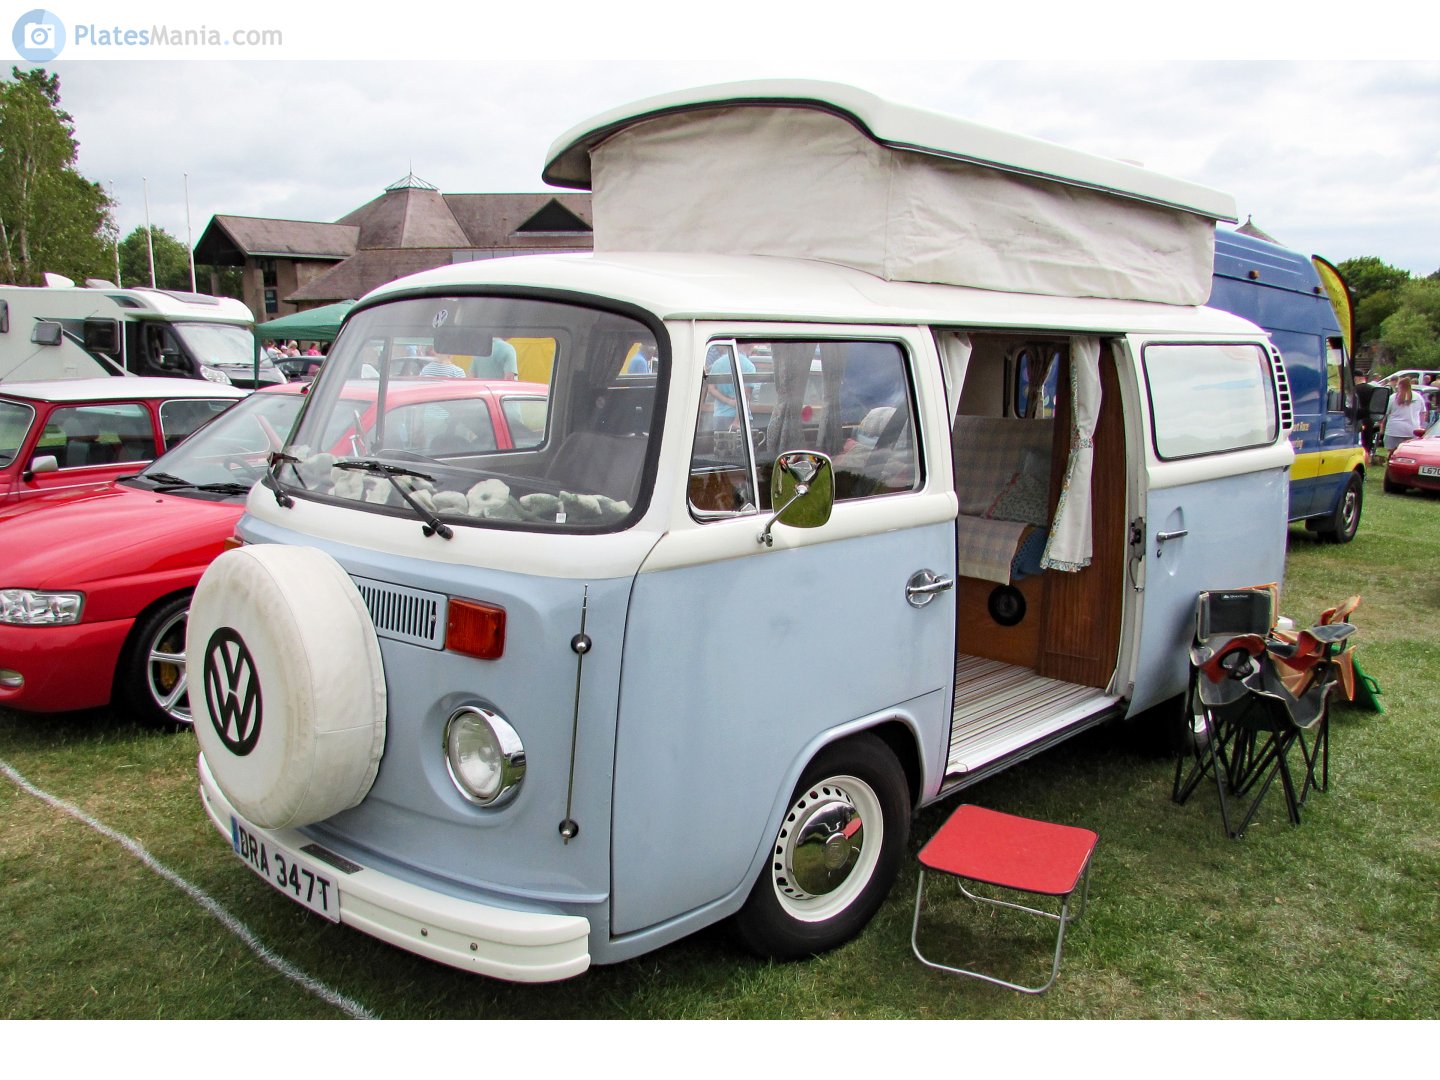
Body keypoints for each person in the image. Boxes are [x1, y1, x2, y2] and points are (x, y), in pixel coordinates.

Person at [1380, 376, 1428, 461]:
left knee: (1392, 452)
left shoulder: (1393, 397)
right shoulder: (1418, 397)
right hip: (1413, 429)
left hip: (1394, 429)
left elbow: (1386, 413)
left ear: (1399, 386)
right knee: (1410, 452)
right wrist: (1421, 426)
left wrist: (1382, 426)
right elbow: (1423, 413)